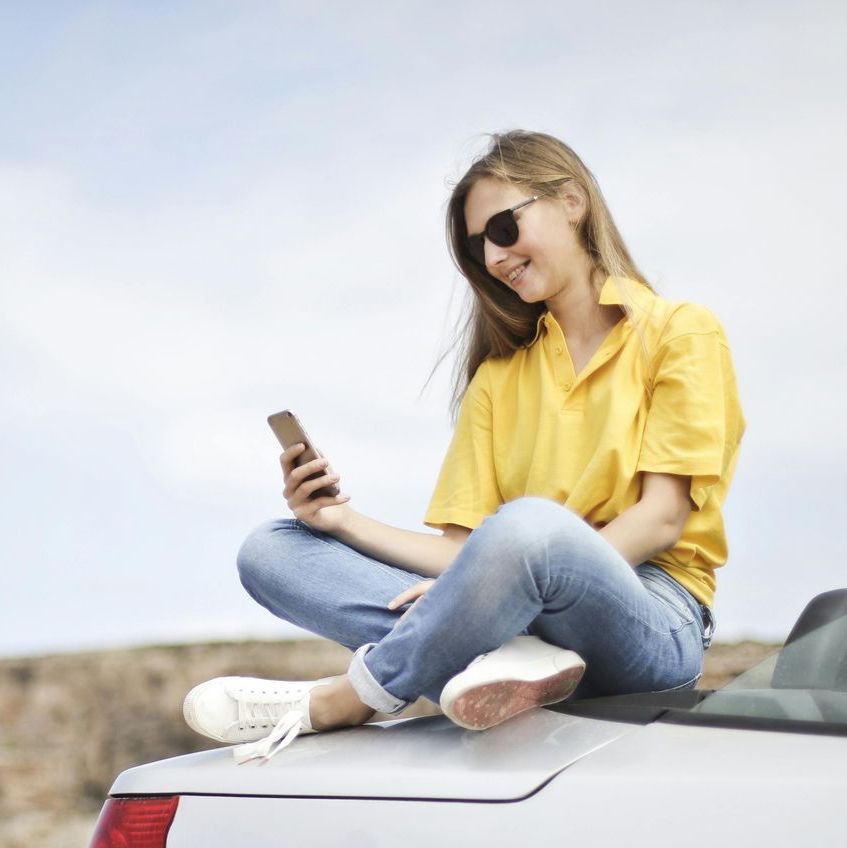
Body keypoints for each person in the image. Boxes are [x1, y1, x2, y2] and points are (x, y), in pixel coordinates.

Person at [184, 130, 744, 762]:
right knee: (270, 550)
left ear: (572, 201)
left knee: (532, 528)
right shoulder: (498, 379)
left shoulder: (681, 332)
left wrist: (500, 584)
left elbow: (662, 517)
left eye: (503, 228)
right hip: (514, 609)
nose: (495, 256)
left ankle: (350, 697)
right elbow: (461, 553)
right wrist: (340, 521)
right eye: (479, 247)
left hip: (649, 613)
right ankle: (498, 654)